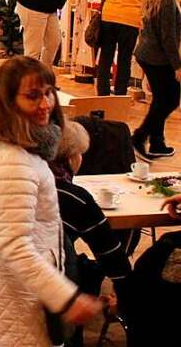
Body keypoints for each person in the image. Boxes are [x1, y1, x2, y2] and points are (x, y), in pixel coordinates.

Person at [0, 56, 103, 346]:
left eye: (49, 92)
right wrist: (66, 298)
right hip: (10, 300)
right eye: (33, 96)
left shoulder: (7, 145)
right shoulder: (11, 161)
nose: (46, 103)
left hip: (0, 290)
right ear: (6, 102)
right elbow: (14, 245)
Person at [51, 121, 133, 320]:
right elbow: (111, 254)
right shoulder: (75, 198)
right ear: (70, 158)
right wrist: (124, 296)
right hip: (55, 289)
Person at [132, 0, 181, 160]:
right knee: (170, 99)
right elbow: (167, 37)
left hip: (148, 53)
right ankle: (139, 136)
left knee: (162, 98)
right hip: (156, 56)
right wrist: (177, 66)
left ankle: (158, 142)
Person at [97, 0, 158, 97]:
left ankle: (102, 93)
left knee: (106, 56)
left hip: (109, 15)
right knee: (124, 59)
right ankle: (120, 94)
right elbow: (150, 0)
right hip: (130, 19)